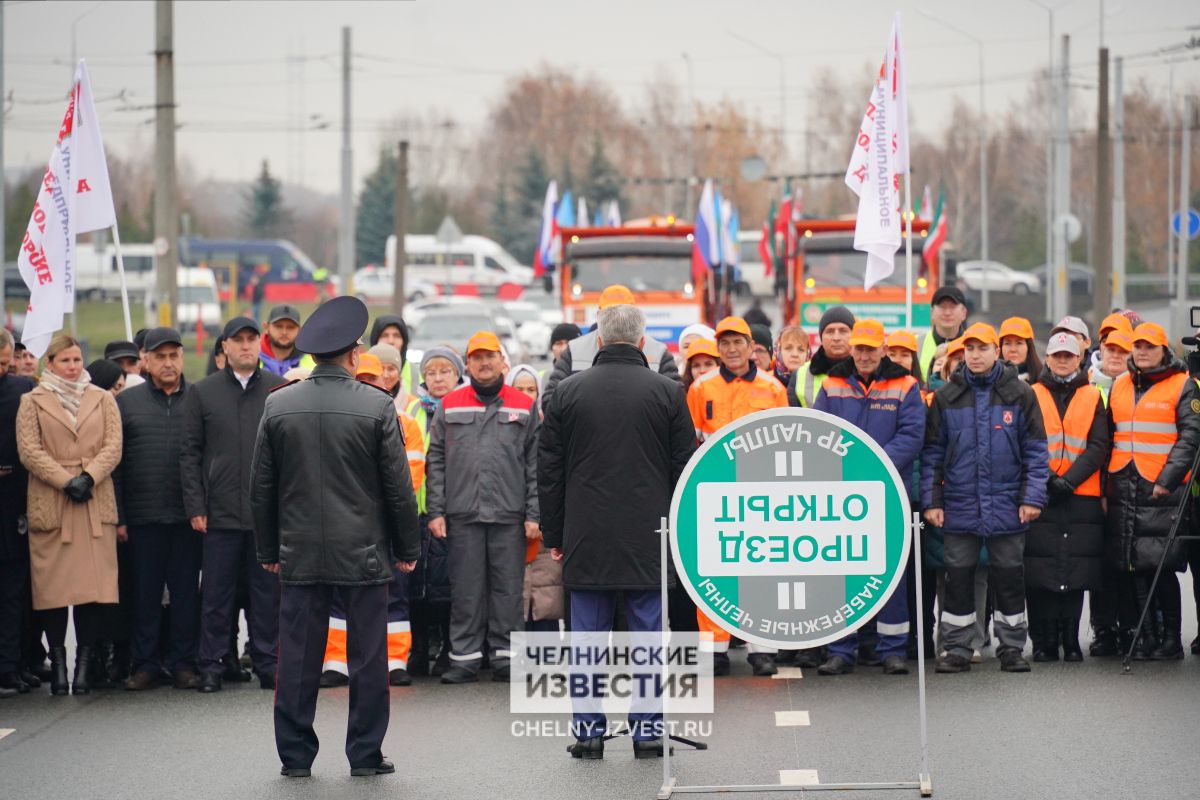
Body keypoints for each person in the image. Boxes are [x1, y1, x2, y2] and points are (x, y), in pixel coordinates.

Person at [251, 295, 420, 778]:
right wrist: (407, 548)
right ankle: (365, 755)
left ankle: (296, 758)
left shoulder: (278, 405)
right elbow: (397, 488)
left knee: (298, 657)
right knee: (369, 659)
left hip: (299, 549)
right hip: (363, 550)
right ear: (354, 354)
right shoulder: (376, 406)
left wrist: (267, 549)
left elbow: (261, 486)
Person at [539, 303, 696, 759]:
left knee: (587, 637)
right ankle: (647, 729)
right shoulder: (668, 392)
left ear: (600, 341)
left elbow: (548, 470)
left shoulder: (566, 393)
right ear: (643, 341)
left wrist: (555, 536)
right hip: (651, 532)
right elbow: (683, 467)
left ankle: (588, 731)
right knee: (648, 634)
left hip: (585, 532)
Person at [922, 322, 1050, 674]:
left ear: (996, 352)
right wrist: (932, 501)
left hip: (1008, 503)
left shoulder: (1020, 394)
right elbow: (932, 454)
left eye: (982, 349)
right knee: (958, 579)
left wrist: (1032, 498)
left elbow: (1036, 452)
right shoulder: (948, 396)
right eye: (969, 350)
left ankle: (1011, 647)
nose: (975, 356)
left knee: (1009, 578)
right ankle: (958, 647)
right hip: (960, 504)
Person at [811, 320, 925, 675]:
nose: (863, 355)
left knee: (890, 573)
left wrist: (873, 465)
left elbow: (912, 435)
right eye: (858, 348)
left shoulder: (906, 386)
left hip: (888, 491)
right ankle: (841, 650)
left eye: (869, 349)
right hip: (841, 494)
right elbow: (817, 432)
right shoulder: (831, 384)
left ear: (883, 350)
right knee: (841, 573)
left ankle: (892, 650)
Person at [426, 331, 539, 684]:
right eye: (477, 357)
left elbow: (536, 464)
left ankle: (507, 657)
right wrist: (436, 511)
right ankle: (465, 658)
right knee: (466, 589)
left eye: (490, 356)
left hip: (510, 514)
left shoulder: (524, 404)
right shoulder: (450, 404)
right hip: (463, 514)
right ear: (468, 363)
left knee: (508, 589)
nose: (484, 362)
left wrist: (535, 514)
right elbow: (437, 461)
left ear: (502, 361)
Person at [181, 317, 286, 694]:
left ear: (260, 344)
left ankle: (268, 663)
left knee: (267, 596)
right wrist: (196, 504)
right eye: (237, 340)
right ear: (224, 346)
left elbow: (288, 455)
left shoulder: (278, 390)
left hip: (264, 515)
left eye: (251, 339)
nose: (245, 346)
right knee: (215, 595)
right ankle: (211, 664)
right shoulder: (203, 392)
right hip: (219, 514)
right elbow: (189, 453)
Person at [16, 334, 123, 695]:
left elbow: (114, 446)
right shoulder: (32, 401)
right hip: (53, 500)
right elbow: (29, 451)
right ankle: (59, 662)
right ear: (50, 364)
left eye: (77, 360)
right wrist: (66, 481)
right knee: (53, 590)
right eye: (65, 361)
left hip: (94, 498)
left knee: (93, 589)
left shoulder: (103, 399)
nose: (74, 367)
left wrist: (89, 476)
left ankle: (84, 664)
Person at [687, 316, 788, 675]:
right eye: (725, 343)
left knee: (762, 568)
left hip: (761, 493)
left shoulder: (773, 388)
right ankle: (714, 650)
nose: (731, 349)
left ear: (750, 347)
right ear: (718, 348)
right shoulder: (701, 388)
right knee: (714, 573)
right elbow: (691, 442)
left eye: (737, 343)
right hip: (716, 492)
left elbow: (785, 441)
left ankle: (762, 648)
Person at [115, 327, 203, 691]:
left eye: (174, 356)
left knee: (185, 595)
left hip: (188, 518)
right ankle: (146, 664)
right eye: (160, 357)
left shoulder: (199, 400)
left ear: (181, 359)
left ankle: (183, 663)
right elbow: (116, 466)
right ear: (146, 361)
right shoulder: (126, 403)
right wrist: (120, 516)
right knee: (145, 595)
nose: (168, 363)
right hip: (142, 517)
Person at [1105, 322, 1200, 660]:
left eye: (1150, 346)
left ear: (1163, 350)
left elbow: (1190, 439)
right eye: (1138, 346)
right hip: (1125, 484)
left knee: (1161, 565)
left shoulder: (1182, 385)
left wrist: (1167, 480)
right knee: (1134, 566)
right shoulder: (1119, 384)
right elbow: (1109, 435)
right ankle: (1147, 638)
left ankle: (1170, 639)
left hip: (1163, 490)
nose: (1142, 352)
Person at [1023, 333, 1109, 663]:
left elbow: (1098, 445)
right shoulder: (1032, 394)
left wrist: (1068, 481)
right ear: (1047, 358)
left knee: (1075, 571)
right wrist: (1048, 479)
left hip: (1079, 494)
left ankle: (1070, 639)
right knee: (1040, 568)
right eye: (1056, 355)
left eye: (1068, 355)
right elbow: (1024, 441)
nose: (1062, 360)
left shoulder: (1093, 395)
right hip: (1040, 491)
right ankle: (1044, 640)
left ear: (1079, 358)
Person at [406, 346, 465, 677]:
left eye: (445, 372)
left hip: (452, 509)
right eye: (432, 372)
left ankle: (447, 646)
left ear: (457, 375)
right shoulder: (413, 409)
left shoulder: (463, 407)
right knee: (417, 583)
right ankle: (418, 647)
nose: (438, 378)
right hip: (417, 509)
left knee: (446, 585)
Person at [543, 284, 679, 409]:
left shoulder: (659, 352)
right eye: (610, 313)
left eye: (623, 314)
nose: (616, 320)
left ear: (635, 316)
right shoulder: (573, 350)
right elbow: (551, 401)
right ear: (598, 316)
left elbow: (676, 402)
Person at [0, 331, 38, 697]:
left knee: (13, 592)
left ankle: (11, 665)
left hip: (13, 506)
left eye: (4, 364)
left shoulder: (23, 390)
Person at [788, 306, 854, 408]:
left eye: (843, 331)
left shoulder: (866, 372)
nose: (836, 338)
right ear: (821, 337)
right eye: (830, 331)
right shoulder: (800, 374)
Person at [919, 286, 969, 378]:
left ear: (964, 313)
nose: (947, 313)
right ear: (932, 313)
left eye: (952, 307)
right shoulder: (917, 344)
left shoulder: (972, 344)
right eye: (942, 307)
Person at [369, 314, 417, 396]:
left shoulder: (417, 373)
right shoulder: (362, 370)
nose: (391, 341)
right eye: (385, 335)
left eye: (396, 335)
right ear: (375, 339)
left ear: (404, 341)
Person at [259, 305, 304, 376]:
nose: (284, 332)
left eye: (290, 327)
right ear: (266, 327)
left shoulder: (313, 362)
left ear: (300, 330)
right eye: (278, 326)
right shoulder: (251, 358)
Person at [999, 317, 1042, 383]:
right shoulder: (990, 380)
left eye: (1019, 343)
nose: (1013, 349)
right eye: (1007, 343)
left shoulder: (1043, 380)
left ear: (1029, 347)